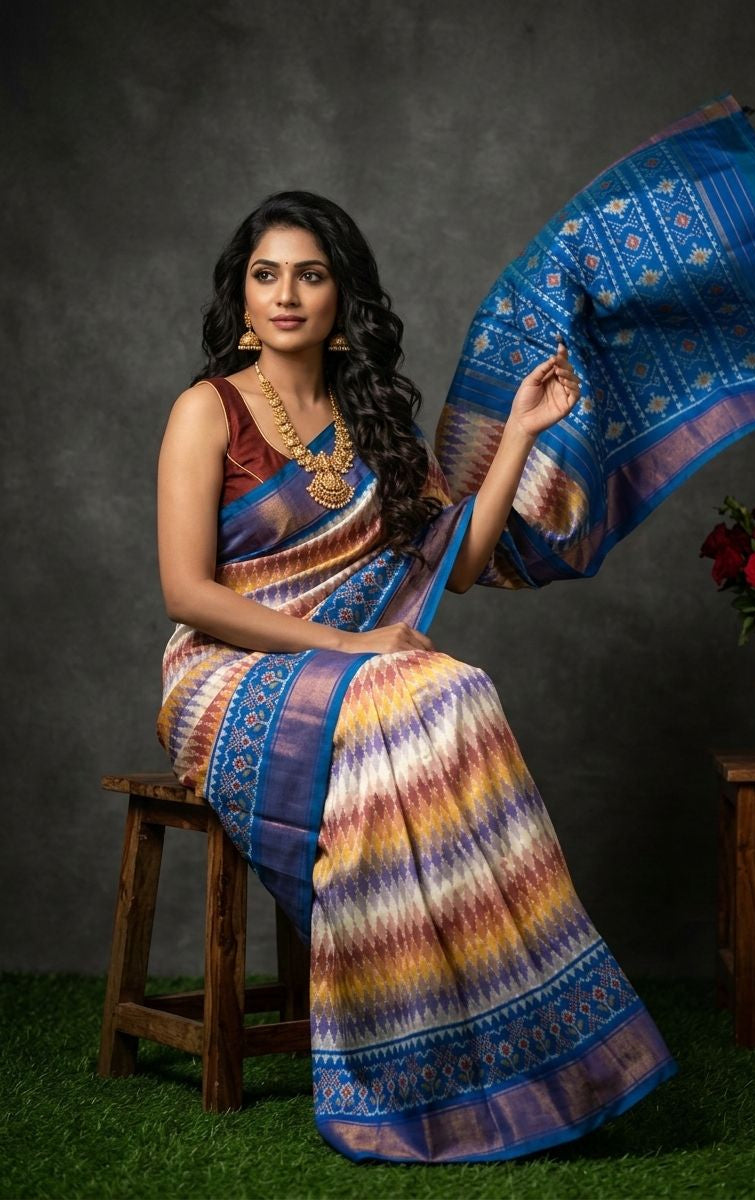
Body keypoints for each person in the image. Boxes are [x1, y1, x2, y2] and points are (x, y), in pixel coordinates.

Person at [156, 189, 678, 1164]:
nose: (286, 294)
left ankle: (515, 1050)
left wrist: (519, 429)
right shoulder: (209, 410)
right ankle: (406, 1063)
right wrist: (354, 651)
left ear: (341, 292)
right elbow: (187, 592)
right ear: (242, 293)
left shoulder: (375, 422)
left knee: (455, 689)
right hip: (227, 678)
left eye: (309, 273)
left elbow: (461, 565)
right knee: (422, 688)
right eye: (266, 274)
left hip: (362, 679)